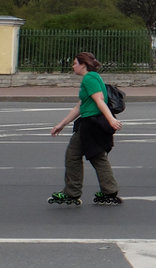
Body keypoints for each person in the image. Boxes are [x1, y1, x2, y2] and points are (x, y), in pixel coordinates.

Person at [48, 51, 123, 206]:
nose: (73, 66)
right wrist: (62, 124)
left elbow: (99, 100)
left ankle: (72, 192)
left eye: (75, 63)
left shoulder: (89, 78)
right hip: (91, 122)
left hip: (90, 124)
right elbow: (80, 106)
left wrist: (111, 120)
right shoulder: (92, 77)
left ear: (83, 65)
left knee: (74, 155)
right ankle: (109, 190)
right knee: (96, 156)